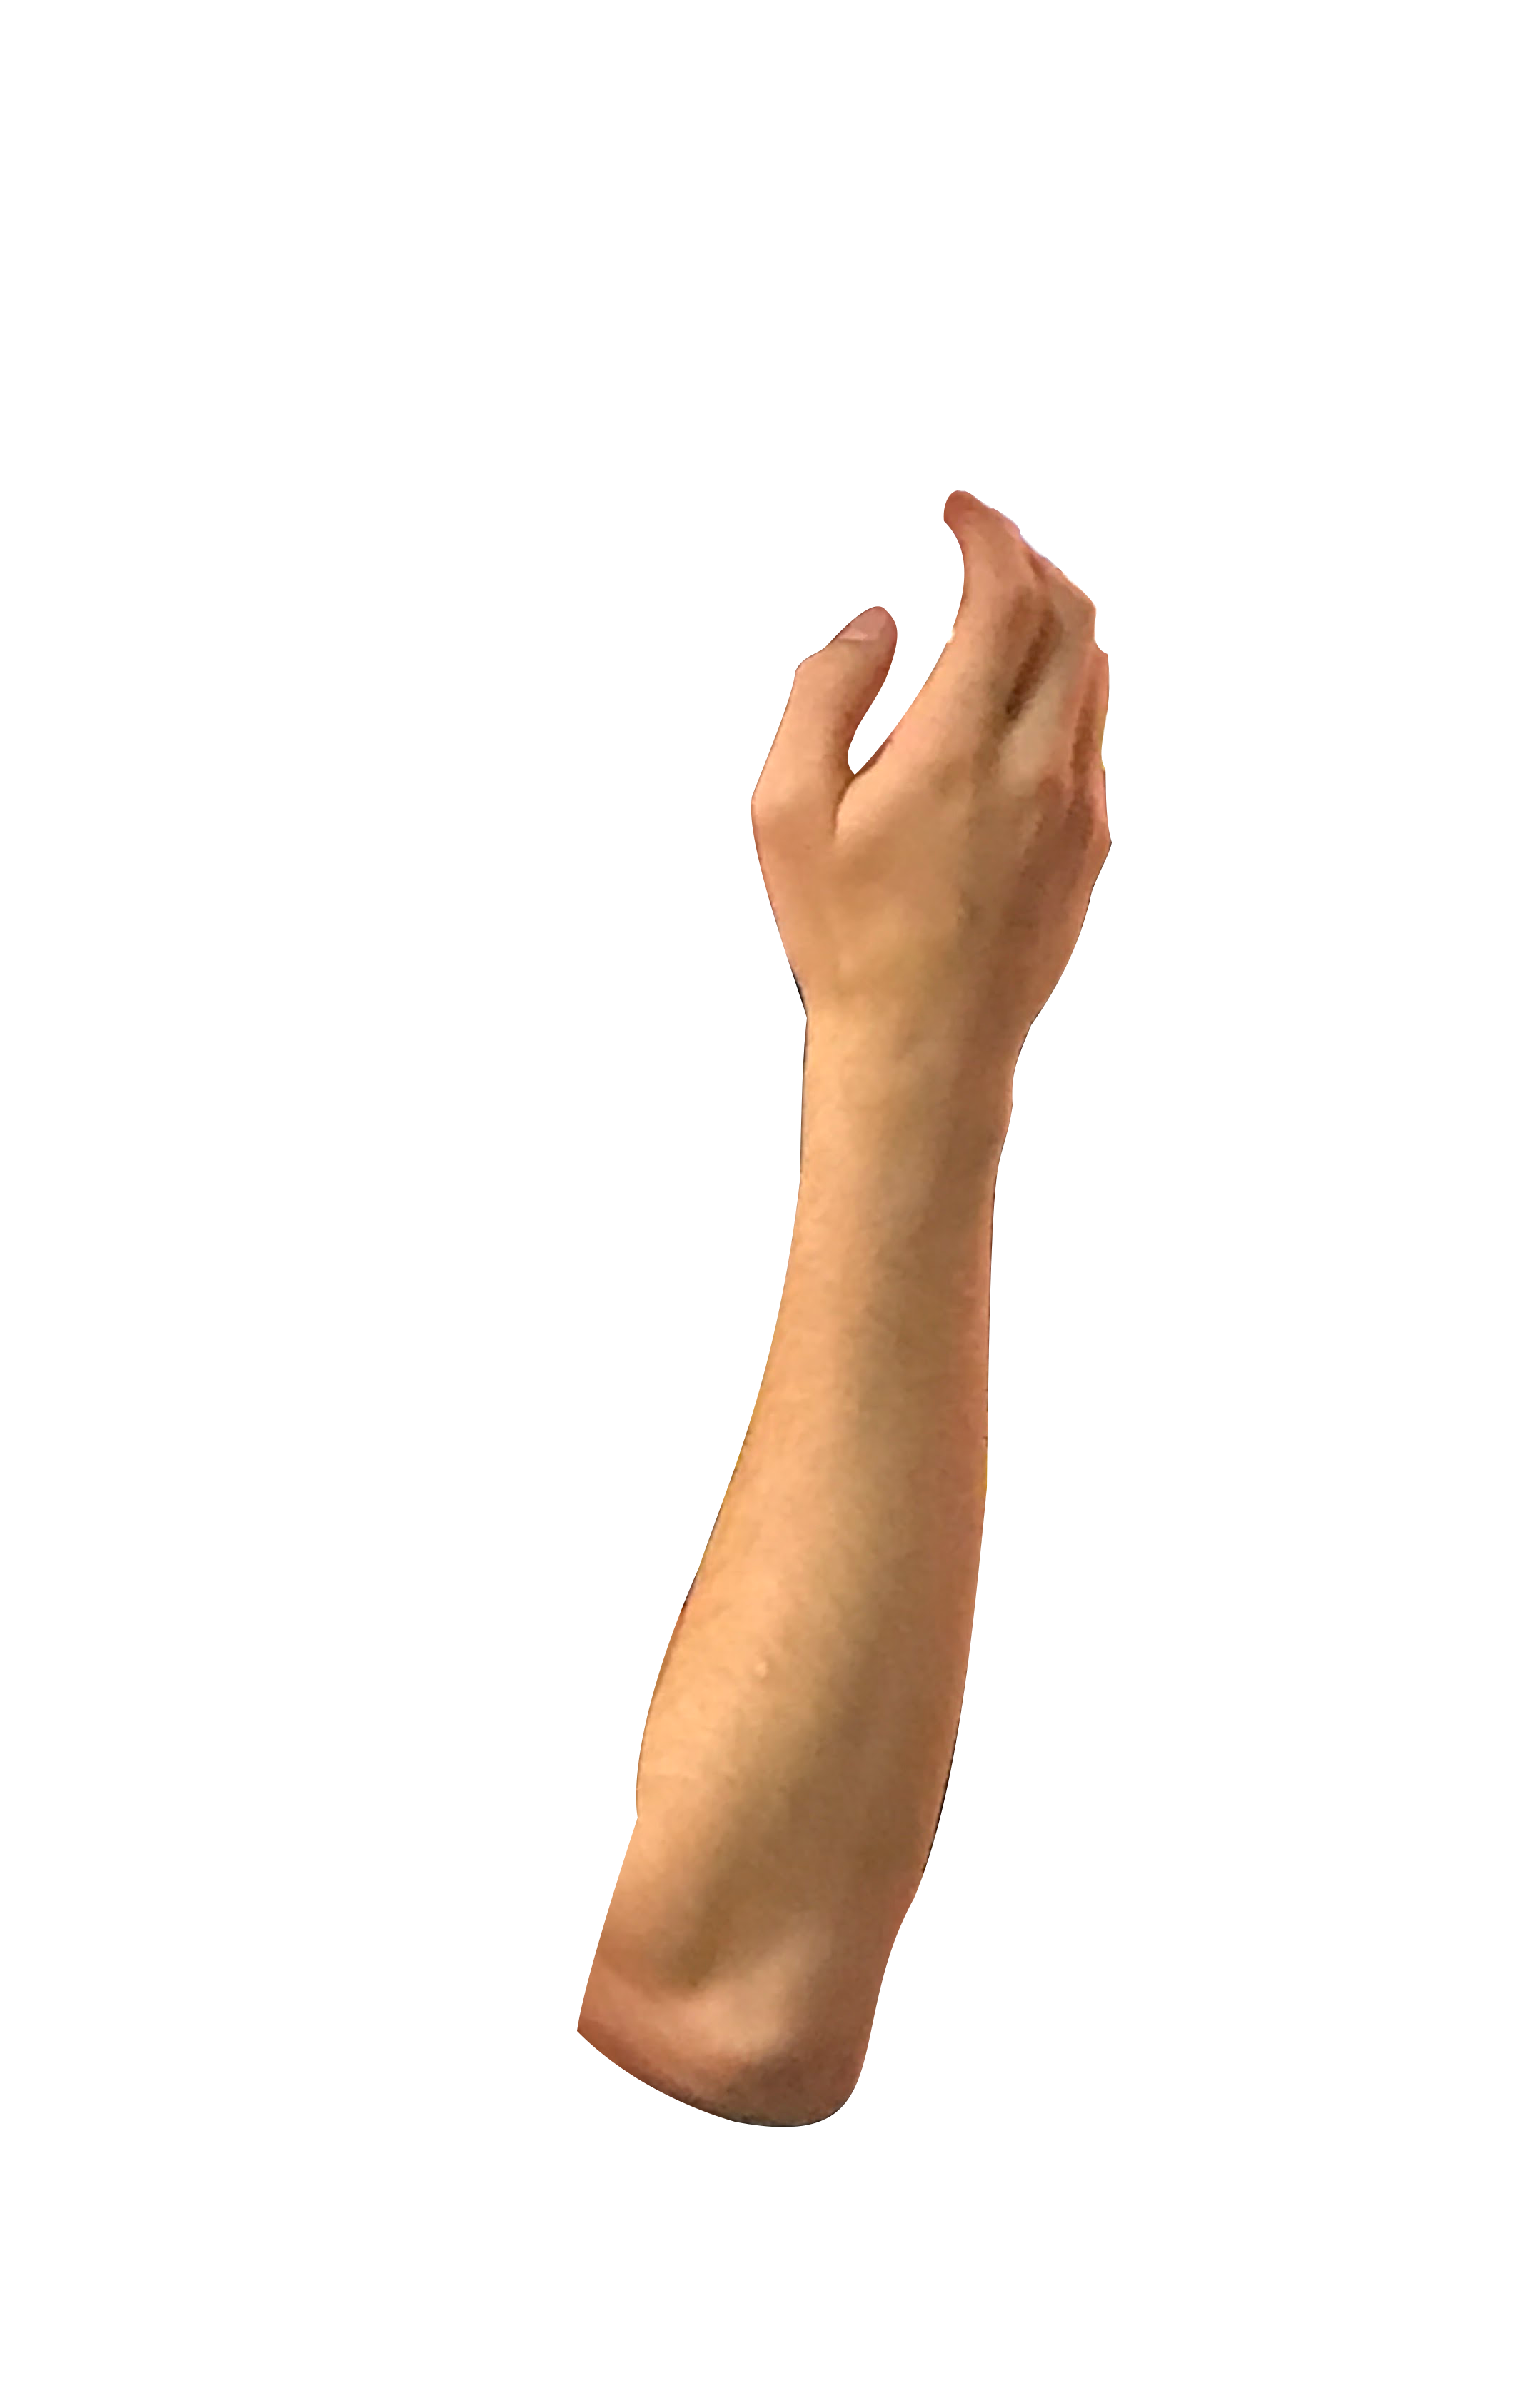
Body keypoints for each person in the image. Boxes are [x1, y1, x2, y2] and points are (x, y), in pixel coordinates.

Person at [577, 489, 1110, 2127]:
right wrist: (917, 1051)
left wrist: (797, 2039)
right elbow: (742, 1995)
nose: (889, 523)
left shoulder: (1045, 828)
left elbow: (723, 2018)